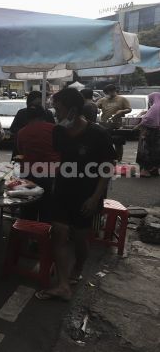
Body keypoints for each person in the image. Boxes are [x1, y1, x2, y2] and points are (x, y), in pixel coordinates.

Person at [35, 88, 115, 301]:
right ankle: (63, 285)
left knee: (80, 238)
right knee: (59, 233)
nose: (55, 112)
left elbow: (108, 167)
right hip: (62, 191)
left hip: (87, 195)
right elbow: (60, 158)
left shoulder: (98, 134)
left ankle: (78, 268)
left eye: (58, 108)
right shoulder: (58, 132)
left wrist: (95, 198)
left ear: (72, 110)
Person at [16, 105, 61, 221]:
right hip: (51, 173)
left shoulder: (22, 132)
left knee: (28, 208)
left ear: (27, 118)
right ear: (43, 116)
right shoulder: (55, 129)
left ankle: (27, 235)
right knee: (47, 209)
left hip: (28, 174)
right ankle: (43, 236)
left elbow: (21, 151)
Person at [96, 84, 131, 162]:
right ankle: (108, 160)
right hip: (105, 125)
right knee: (106, 143)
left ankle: (119, 160)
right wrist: (97, 107)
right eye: (106, 93)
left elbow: (129, 109)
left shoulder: (122, 99)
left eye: (108, 92)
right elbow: (95, 107)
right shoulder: (103, 100)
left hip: (117, 125)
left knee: (118, 143)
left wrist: (122, 111)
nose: (107, 94)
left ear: (114, 91)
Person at [135, 92, 160, 177]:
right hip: (157, 132)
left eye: (150, 99)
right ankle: (154, 170)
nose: (150, 101)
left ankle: (145, 171)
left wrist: (137, 126)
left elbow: (148, 119)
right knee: (156, 150)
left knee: (145, 150)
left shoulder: (155, 107)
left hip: (149, 132)